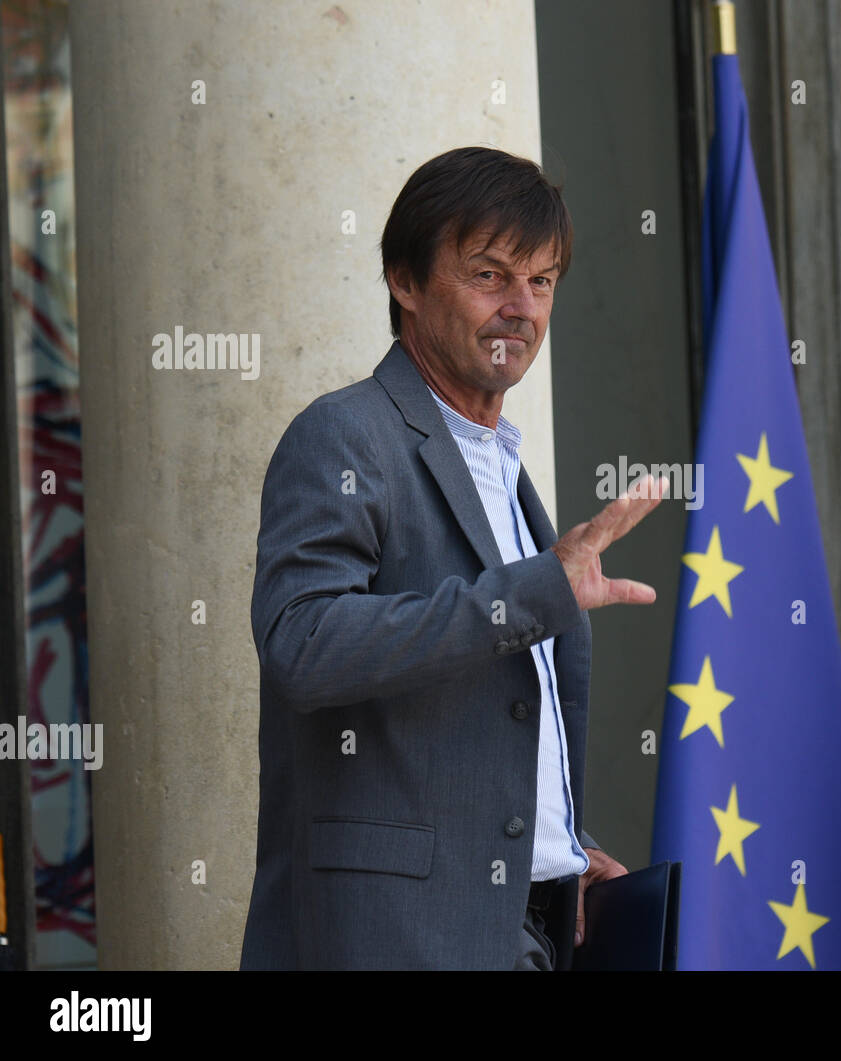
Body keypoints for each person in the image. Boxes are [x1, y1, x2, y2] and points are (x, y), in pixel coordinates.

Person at [239, 146, 665, 970]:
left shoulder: (501, 462)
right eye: (489, 275)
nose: (521, 308)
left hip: (530, 925)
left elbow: (482, 716)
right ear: (404, 280)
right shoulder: (346, 434)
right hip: (396, 939)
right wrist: (535, 590)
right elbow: (301, 643)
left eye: (541, 282)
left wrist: (560, 845)